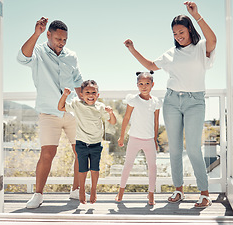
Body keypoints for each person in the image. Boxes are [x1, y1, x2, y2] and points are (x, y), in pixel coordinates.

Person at [123, 1, 216, 208]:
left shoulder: (201, 48)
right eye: (174, 34)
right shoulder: (170, 54)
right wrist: (132, 49)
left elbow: (212, 39)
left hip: (195, 102)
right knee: (174, 149)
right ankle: (178, 190)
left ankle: (205, 192)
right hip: (172, 101)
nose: (178, 36)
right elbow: (149, 65)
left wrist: (197, 15)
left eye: (181, 32)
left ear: (190, 29)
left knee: (192, 148)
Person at [17, 17, 87, 208]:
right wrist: (35, 34)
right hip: (48, 112)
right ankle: (38, 194)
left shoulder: (71, 56)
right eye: (58, 39)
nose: (61, 43)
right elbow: (22, 58)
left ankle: (76, 190)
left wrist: (87, 105)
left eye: (64, 39)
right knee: (48, 153)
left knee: (80, 152)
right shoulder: (38, 51)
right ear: (48, 34)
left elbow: (78, 82)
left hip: (72, 111)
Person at [58, 80, 117, 204]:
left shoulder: (100, 107)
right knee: (82, 169)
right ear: (82, 95)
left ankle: (94, 189)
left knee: (95, 169)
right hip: (81, 143)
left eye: (93, 92)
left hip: (96, 144)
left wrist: (111, 113)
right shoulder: (76, 104)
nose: (90, 95)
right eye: (87, 92)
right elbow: (60, 107)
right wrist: (65, 95)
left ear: (98, 95)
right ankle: (81, 190)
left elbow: (113, 122)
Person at [115, 71, 161, 206]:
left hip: (149, 140)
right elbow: (126, 118)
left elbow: (156, 122)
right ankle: (121, 191)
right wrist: (122, 136)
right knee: (128, 165)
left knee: (152, 166)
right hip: (134, 138)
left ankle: (151, 194)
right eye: (141, 84)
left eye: (147, 84)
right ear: (137, 85)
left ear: (152, 85)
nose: (144, 86)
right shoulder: (133, 100)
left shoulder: (156, 102)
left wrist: (155, 140)